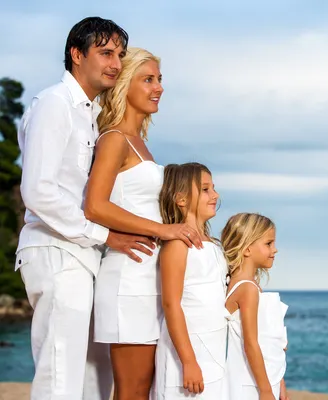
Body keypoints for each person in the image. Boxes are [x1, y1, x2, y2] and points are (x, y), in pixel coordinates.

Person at [15, 17, 154, 400]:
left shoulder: (92, 116)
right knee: (60, 376)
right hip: (56, 253)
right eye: (105, 53)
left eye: (120, 55)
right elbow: (38, 192)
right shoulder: (54, 105)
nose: (115, 63)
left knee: (95, 381)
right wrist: (105, 234)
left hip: (86, 258)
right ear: (77, 55)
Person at [83, 48, 203, 399]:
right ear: (124, 84)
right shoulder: (114, 140)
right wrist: (163, 230)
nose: (158, 87)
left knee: (145, 389)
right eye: (148, 79)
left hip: (149, 277)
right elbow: (94, 205)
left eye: (160, 79)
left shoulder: (141, 145)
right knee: (132, 390)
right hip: (129, 280)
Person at [155, 163, 229, 399]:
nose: (215, 195)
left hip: (214, 350)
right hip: (187, 355)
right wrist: (189, 361)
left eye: (213, 188)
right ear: (181, 199)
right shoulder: (178, 245)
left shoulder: (214, 245)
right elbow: (171, 304)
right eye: (205, 189)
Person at [222, 213, 289, 400]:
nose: (275, 250)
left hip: (264, 377)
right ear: (247, 248)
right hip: (251, 384)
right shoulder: (247, 288)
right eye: (268, 244)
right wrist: (266, 390)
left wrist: (279, 382)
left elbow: (268, 340)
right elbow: (251, 344)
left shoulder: (247, 284)